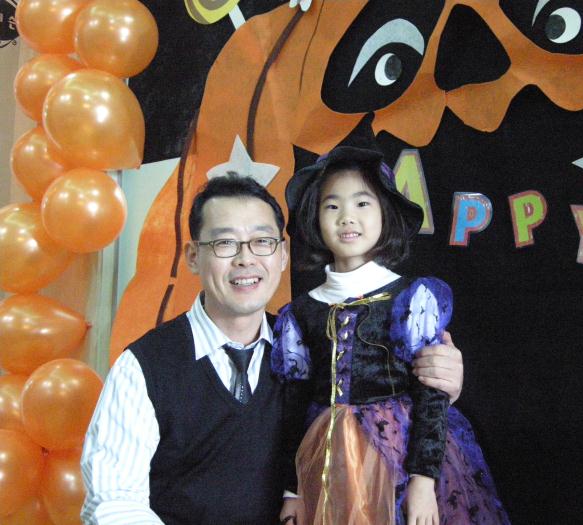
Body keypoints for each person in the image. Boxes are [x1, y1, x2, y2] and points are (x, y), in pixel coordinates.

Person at [80, 173, 465, 525]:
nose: (245, 258)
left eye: (262, 241)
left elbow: (368, 403)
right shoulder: (145, 367)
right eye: (225, 243)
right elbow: (114, 502)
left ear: (282, 255)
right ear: (193, 256)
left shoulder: (304, 346)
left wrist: (440, 381)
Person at [274, 147, 510, 525]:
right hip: (328, 465)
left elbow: (431, 395)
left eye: (362, 203)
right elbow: (294, 406)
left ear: (384, 212)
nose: (347, 217)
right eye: (332, 206)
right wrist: (293, 490)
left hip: (400, 457)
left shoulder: (412, 297)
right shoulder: (301, 312)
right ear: (314, 218)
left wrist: (423, 481)